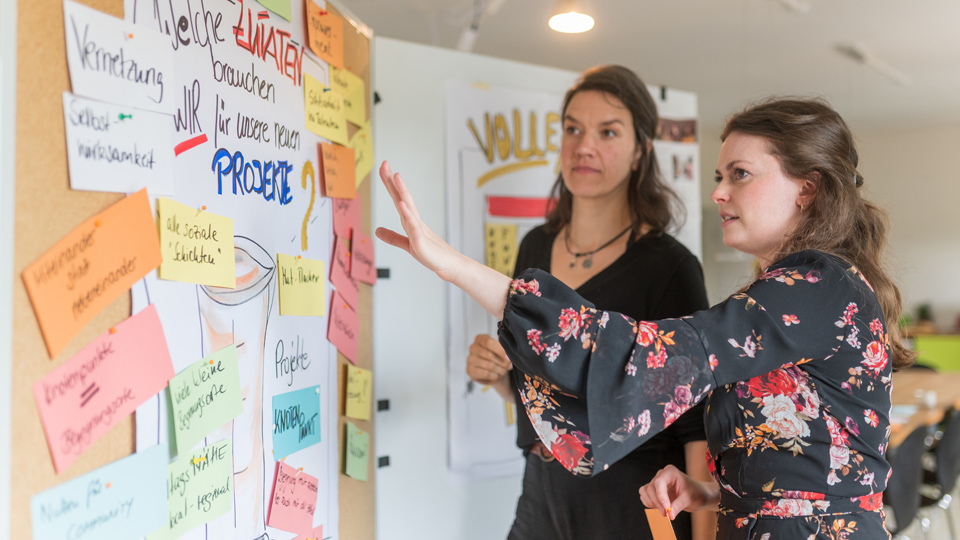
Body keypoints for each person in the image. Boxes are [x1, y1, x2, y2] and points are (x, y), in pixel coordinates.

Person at [375, 96, 915, 539]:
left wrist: (453, 265)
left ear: (808, 188)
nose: (719, 192)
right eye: (719, 175)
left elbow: (646, 356)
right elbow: (803, 458)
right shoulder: (793, 290)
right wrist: (712, 493)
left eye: (741, 175)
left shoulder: (818, 287)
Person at [465, 65, 715, 540]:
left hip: (629, 504)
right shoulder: (534, 250)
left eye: (608, 132)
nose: (584, 146)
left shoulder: (668, 267)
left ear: (641, 149)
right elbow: (549, 398)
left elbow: (694, 427)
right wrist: (501, 378)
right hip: (541, 495)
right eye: (573, 129)